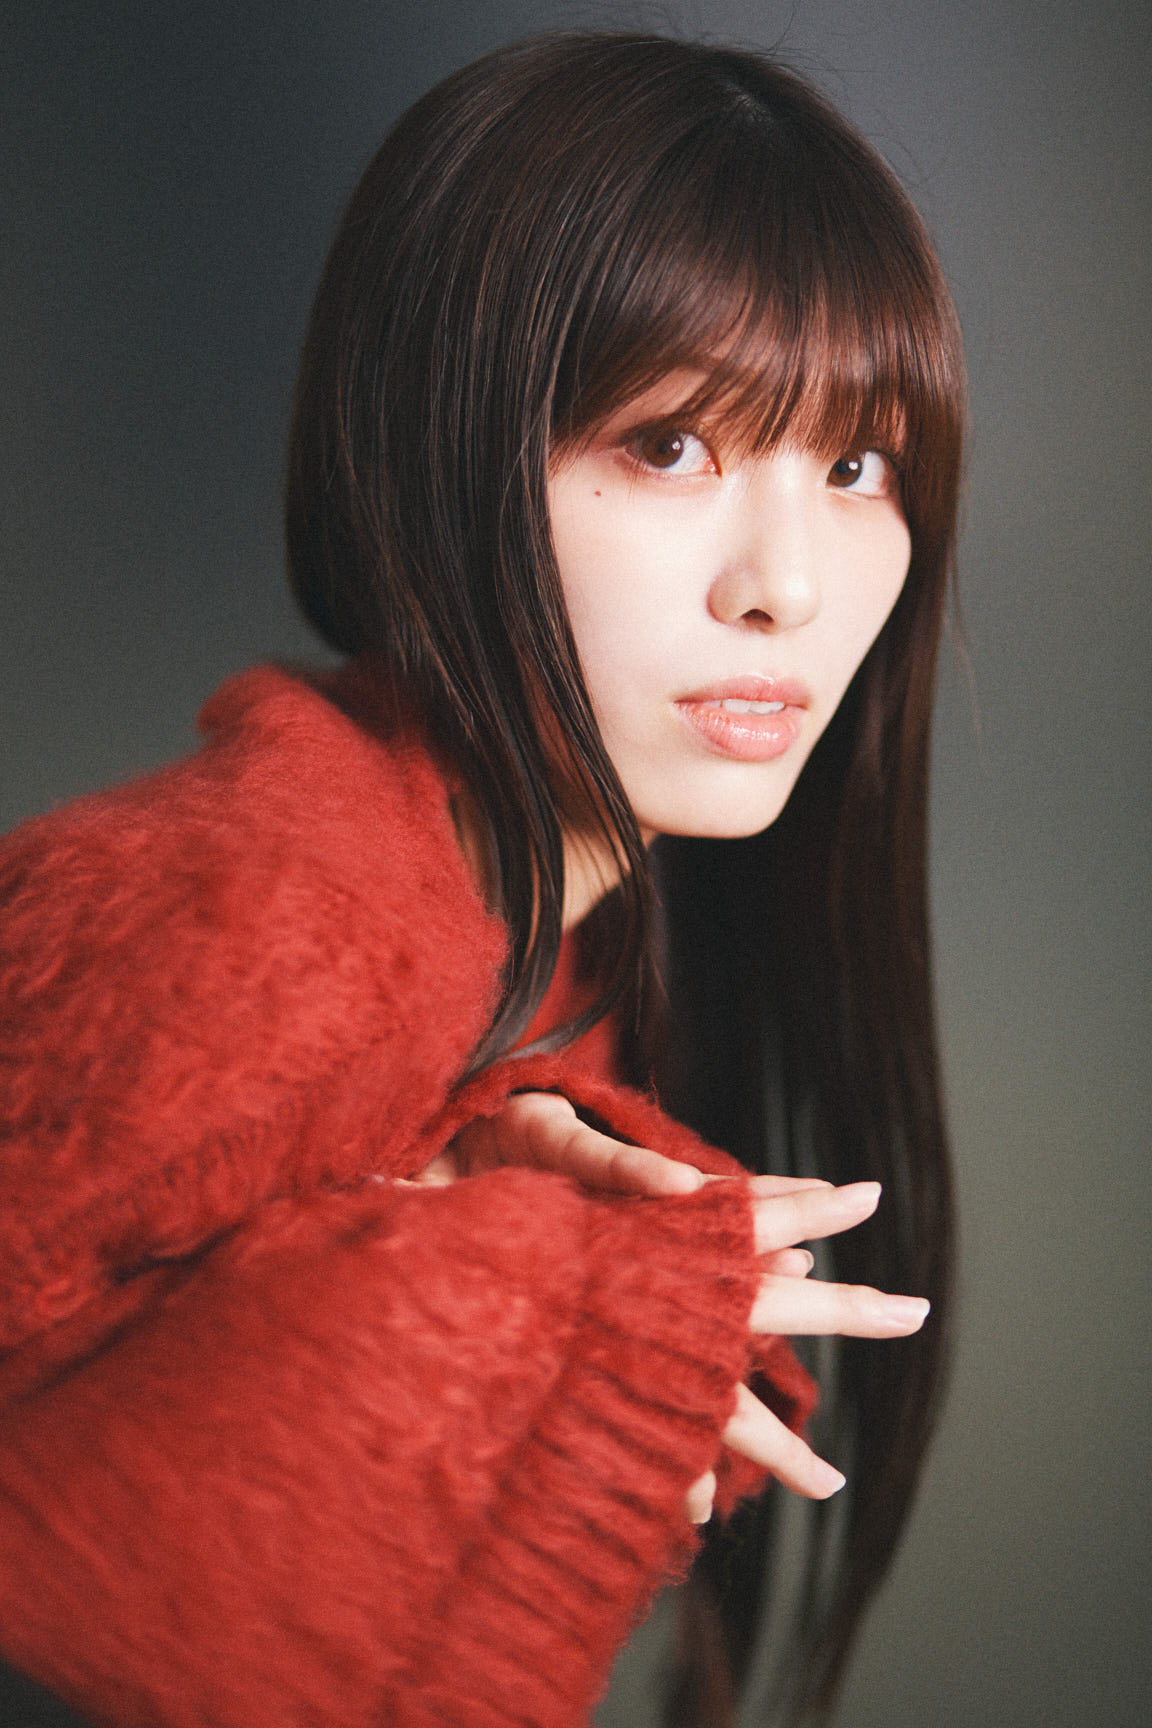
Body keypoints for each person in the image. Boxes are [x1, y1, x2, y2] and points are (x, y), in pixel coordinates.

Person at [0, 31, 964, 1728]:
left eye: (856, 466)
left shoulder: (563, 975)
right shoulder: (242, 919)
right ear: (438, 443)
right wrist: (507, 1305)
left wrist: (430, 1223)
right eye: (671, 444)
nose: (790, 586)